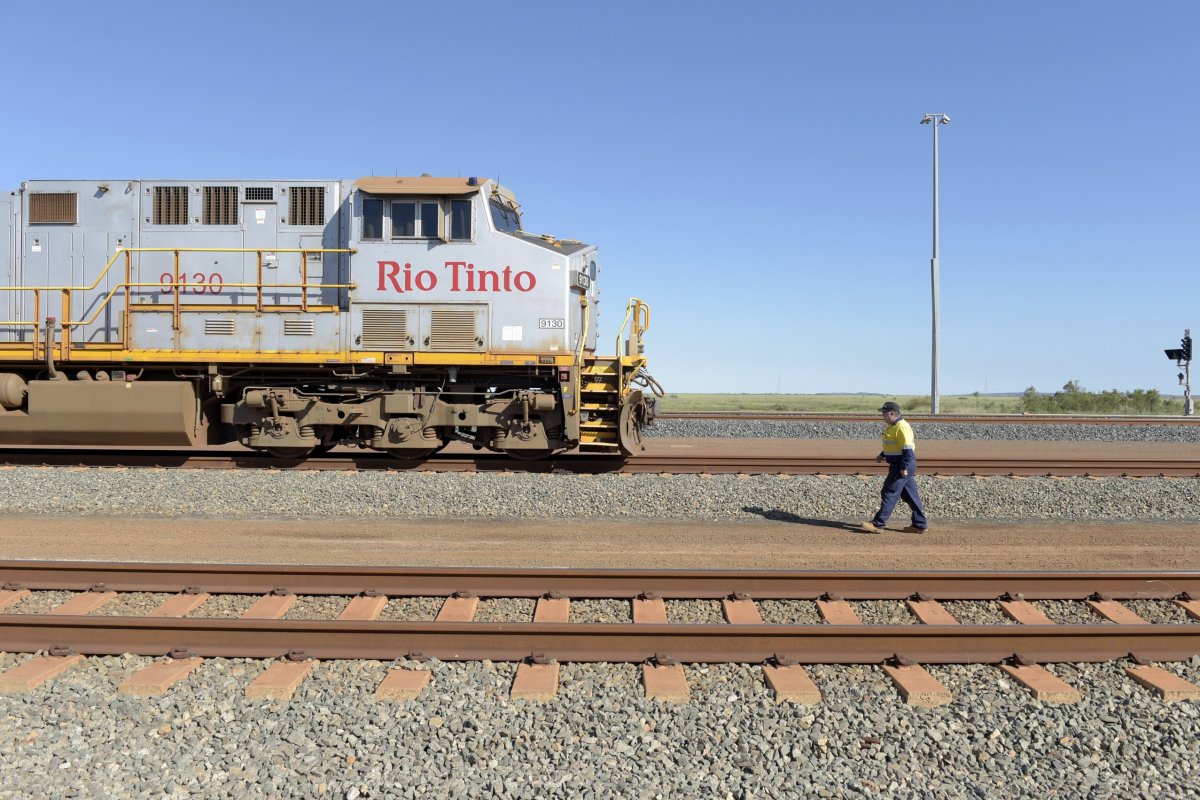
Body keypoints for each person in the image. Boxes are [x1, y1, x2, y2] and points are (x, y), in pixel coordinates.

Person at [860, 401, 929, 534]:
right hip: (900, 464)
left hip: (901, 465)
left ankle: (878, 524)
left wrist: (904, 467)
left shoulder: (902, 427)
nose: (882, 415)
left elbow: (908, 450)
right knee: (910, 495)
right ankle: (920, 525)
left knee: (889, 492)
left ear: (892, 413)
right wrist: (882, 455)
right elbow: (894, 446)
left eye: (884, 413)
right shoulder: (892, 426)